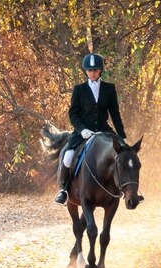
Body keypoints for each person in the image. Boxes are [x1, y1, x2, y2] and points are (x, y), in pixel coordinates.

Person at [54, 52, 127, 205]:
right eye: (89, 70)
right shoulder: (79, 89)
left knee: (125, 156)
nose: (92, 73)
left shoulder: (109, 88)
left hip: (104, 131)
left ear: (100, 70)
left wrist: (121, 136)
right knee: (68, 155)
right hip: (83, 133)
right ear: (85, 71)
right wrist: (82, 130)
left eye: (95, 70)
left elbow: (115, 114)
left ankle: (128, 190)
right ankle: (64, 190)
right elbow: (73, 114)